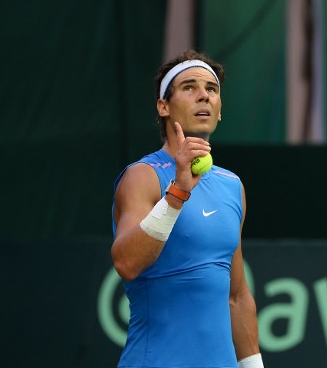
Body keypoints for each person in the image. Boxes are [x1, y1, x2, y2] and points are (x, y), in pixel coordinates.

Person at [111, 50, 263, 368]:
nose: (203, 96)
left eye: (212, 89)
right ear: (163, 106)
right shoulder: (143, 176)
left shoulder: (232, 185)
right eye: (189, 87)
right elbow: (127, 263)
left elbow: (237, 296)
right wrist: (177, 192)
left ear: (220, 111)